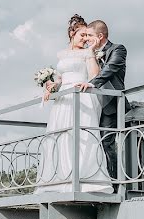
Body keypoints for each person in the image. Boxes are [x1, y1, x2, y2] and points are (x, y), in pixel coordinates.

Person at [35, 15, 113, 193]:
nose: (85, 39)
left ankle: (84, 179)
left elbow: (94, 75)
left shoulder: (88, 52)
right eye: (82, 35)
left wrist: (90, 53)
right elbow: (61, 79)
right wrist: (51, 86)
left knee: (82, 135)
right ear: (72, 33)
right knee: (61, 135)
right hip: (64, 99)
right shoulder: (62, 54)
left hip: (82, 95)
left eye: (87, 35)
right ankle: (61, 179)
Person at [77, 20, 127, 181]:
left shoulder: (117, 49)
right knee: (90, 143)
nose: (86, 39)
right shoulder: (88, 52)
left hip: (109, 104)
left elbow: (109, 70)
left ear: (100, 36)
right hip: (90, 105)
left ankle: (114, 182)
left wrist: (92, 83)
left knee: (106, 142)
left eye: (90, 36)